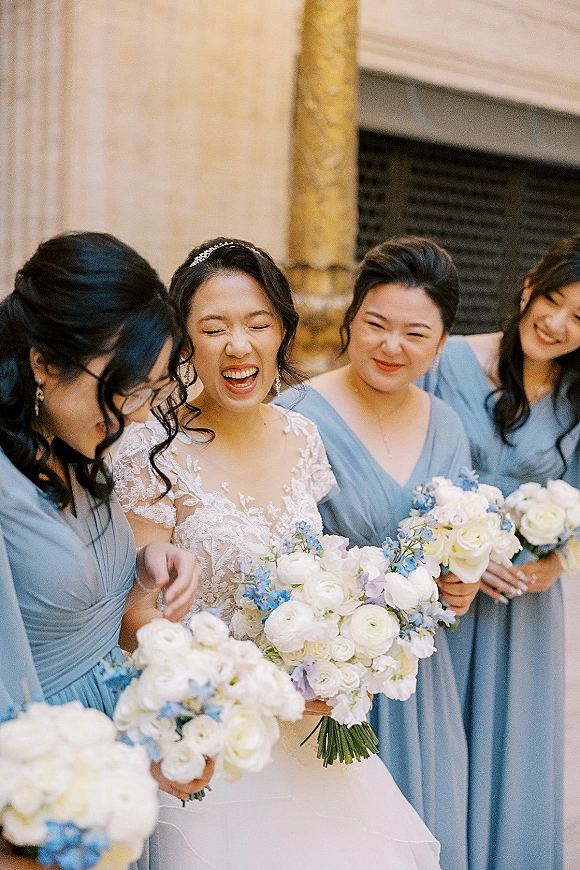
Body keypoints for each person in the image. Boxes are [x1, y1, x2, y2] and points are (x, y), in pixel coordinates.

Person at [113, 237, 443, 870]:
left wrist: (335, 658)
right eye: (214, 328)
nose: (238, 346)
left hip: (308, 738)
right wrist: (245, 686)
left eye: (258, 324)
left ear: (282, 332)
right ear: (185, 343)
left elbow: (315, 572)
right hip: (215, 738)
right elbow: (138, 618)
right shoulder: (151, 452)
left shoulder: (304, 437)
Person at [275, 236, 478, 870]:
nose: (392, 346)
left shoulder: (447, 422)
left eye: (416, 333)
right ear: (350, 319)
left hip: (421, 682)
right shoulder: (295, 416)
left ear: (441, 344)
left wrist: (461, 583)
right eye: (376, 324)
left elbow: (454, 542)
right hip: (328, 682)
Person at [0, 231, 212, 809]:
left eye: (149, 391)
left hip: (110, 767)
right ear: (43, 362)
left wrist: (140, 570)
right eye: (120, 389)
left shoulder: (78, 450)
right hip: (43, 791)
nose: (133, 414)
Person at [419, 233, 580, 870]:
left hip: (523, 610)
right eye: (555, 300)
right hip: (442, 594)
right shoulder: (447, 359)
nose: (559, 323)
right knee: (437, 743)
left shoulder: (575, 399)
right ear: (528, 288)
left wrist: (553, 564)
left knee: (513, 751)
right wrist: (449, 551)